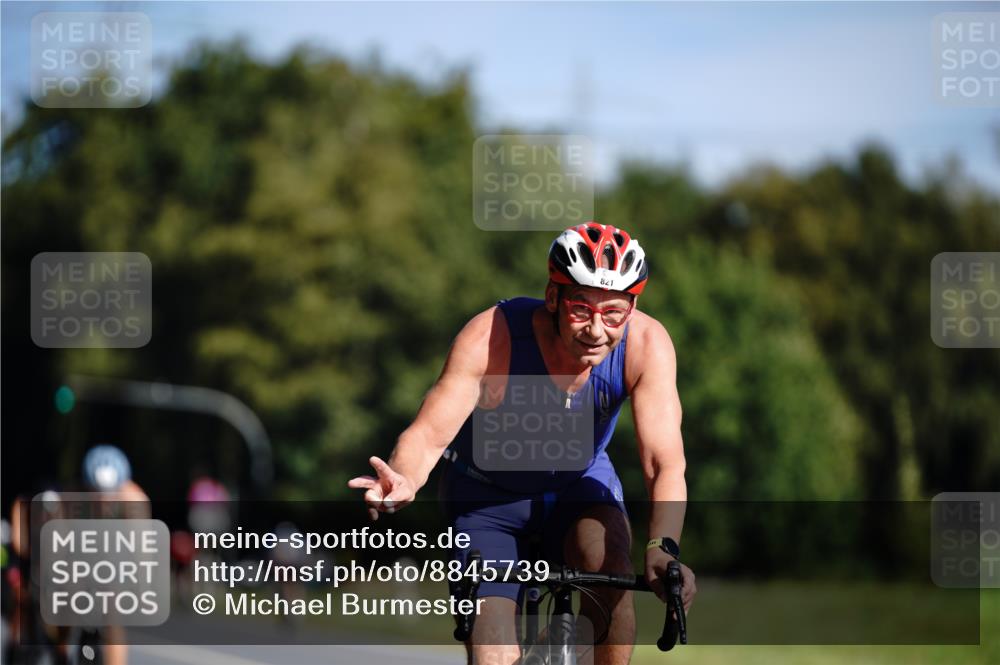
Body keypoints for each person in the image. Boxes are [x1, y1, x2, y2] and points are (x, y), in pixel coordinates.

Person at [349, 221, 696, 665]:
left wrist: (662, 548)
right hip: (487, 497)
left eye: (613, 313)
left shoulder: (647, 345)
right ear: (552, 298)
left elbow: (663, 463)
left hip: (579, 484)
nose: (595, 329)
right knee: (493, 654)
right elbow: (430, 433)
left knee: (610, 571)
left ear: (631, 308)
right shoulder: (491, 336)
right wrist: (405, 477)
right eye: (579, 309)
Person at [80, 444, 150, 665]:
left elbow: (141, 552)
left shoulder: (135, 500)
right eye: (97, 494)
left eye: (110, 495)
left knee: (112, 614)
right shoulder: (73, 496)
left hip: (118, 554)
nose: (103, 501)